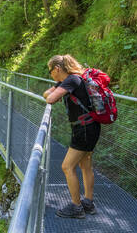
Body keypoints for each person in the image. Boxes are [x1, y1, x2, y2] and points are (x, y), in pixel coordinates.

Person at [43, 54, 100, 219]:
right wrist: (53, 91)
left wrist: (52, 93)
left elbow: (50, 98)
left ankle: (77, 207)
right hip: (89, 126)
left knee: (67, 167)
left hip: (84, 129)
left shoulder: (71, 81)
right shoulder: (69, 80)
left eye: (50, 71)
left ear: (57, 69)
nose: (51, 74)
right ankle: (88, 203)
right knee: (85, 165)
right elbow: (46, 93)